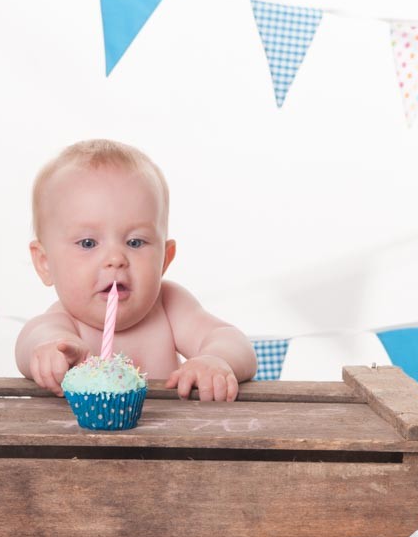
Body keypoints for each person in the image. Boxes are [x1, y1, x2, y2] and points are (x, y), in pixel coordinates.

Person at [15, 139, 257, 401]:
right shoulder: (64, 324)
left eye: (135, 242)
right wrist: (50, 352)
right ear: (45, 263)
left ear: (165, 259)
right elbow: (32, 340)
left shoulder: (169, 306)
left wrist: (216, 359)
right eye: (88, 243)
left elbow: (232, 340)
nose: (116, 259)